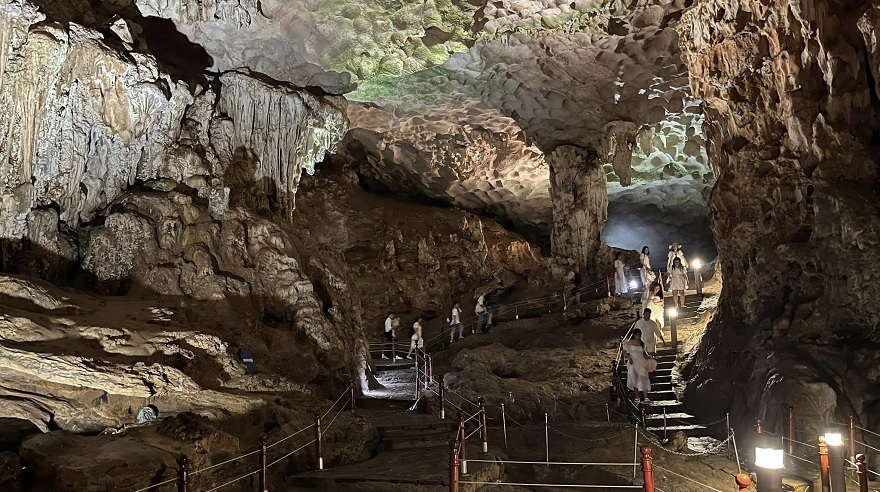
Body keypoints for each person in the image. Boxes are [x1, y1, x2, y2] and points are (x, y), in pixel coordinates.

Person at [623, 329, 653, 402]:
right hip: (633, 362)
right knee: (634, 379)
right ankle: (637, 397)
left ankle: (646, 397)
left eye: (640, 335)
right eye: (637, 335)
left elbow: (644, 353)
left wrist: (650, 357)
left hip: (641, 362)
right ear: (634, 335)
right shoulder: (629, 343)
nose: (639, 336)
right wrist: (629, 358)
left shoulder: (642, 343)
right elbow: (624, 352)